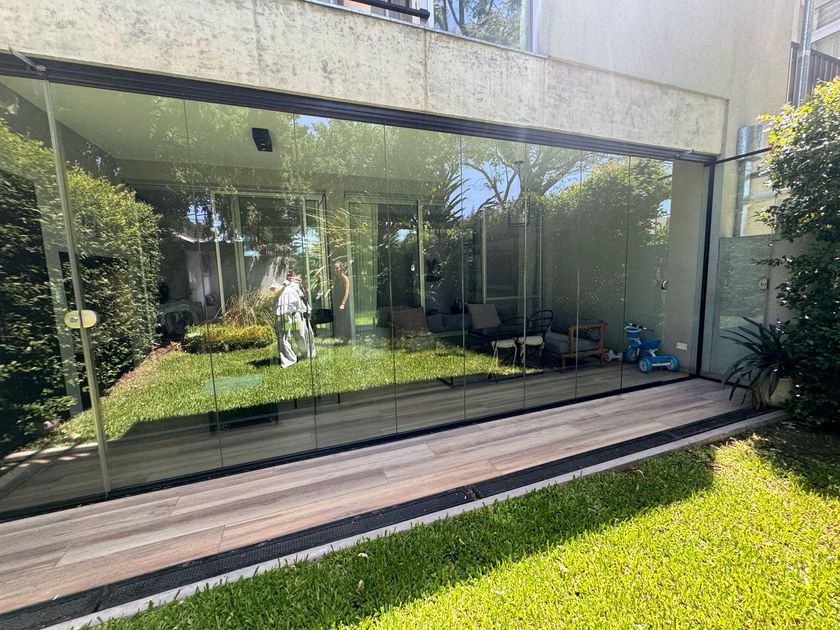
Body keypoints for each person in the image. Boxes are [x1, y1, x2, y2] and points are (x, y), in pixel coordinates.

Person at [270, 269, 316, 368]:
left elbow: (303, 294)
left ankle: (307, 354)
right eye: (286, 270)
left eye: (290, 270)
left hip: (296, 311)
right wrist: (285, 285)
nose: (288, 271)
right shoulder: (277, 280)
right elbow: (276, 293)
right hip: (284, 313)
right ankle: (289, 360)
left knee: (301, 333)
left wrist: (300, 283)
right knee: (285, 336)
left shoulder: (295, 280)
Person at [332, 260, 351, 343]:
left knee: (345, 320)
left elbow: (347, 291)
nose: (335, 270)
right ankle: (342, 337)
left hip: (344, 302)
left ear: (341, 268)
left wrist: (343, 303)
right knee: (339, 320)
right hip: (337, 301)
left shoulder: (345, 278)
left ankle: (347, 338)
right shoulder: (336, 278)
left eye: (337, 268)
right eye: (334, 268)